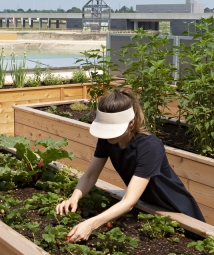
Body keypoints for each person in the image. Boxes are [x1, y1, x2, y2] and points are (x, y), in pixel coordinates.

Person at [56, 88, 204, 242]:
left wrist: (91, 224)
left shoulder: (149, 147)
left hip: (177, 209)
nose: (108, 135)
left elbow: (129, 201)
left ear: (131, 123)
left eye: (112, 130)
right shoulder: (107, 140)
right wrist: (74, 198)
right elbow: (90, 175)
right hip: (149, 206)